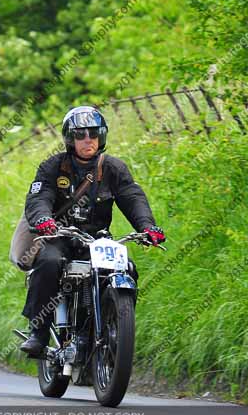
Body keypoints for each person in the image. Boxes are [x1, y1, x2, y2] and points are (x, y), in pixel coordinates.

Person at [19, 106, 165, 357]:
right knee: (49, 262)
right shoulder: (52, 167)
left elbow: (132, 197)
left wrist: (147, 227)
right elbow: (39, 197)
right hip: (60, 236)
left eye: (93, 133)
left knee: (126, 266)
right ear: (69, 138)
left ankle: (116, 324)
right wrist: (43, 219)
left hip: (97, 239)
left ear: (102, 136)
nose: (88, 139)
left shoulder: (114, 168)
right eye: (80, 134)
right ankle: (39, 332)